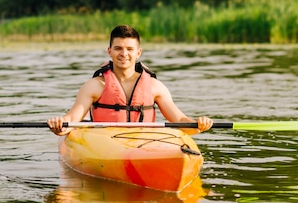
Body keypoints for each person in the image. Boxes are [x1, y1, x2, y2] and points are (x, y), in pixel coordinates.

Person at [47, 25, 213, 135]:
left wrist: (198, 124)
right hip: (105, 143)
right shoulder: (95, 86)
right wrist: (60, 124)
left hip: (144, 143)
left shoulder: (155, 87)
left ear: (138, 52)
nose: (124, 54)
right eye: (118, 48)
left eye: (129, 49)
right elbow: (71, 120)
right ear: (109, 51)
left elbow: (180, 120)